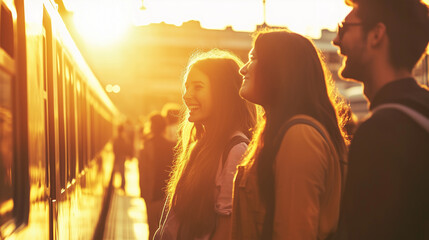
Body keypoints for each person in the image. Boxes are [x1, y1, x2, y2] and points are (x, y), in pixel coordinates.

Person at [231, 29, 349, 239]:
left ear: (279, 69)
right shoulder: (275, 133)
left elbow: (295, 232)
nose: (243, 69)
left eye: (253, 58)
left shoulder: (300, 137)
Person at [332, 0, 429, 239]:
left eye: (345, 27)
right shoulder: (421, 110)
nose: (337, 41)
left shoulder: (380, 133)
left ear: (376, 34)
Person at [154, 49, 257, 240]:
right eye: (186, 87)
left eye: (197, 87)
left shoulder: (236, 151)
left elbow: (226, 231)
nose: (186, 95)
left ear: (223, 94)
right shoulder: (199, 145)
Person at [139, 113, 175, 240]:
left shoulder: (145, 146)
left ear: (151, 127)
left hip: (151, 195)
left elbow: (142, 172)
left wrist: (143, 194)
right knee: (165, 230)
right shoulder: (172, 146)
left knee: (152, 229)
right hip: (166, 196)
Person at [113, 124, 130, 191]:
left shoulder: (116, 139)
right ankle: (123, 185)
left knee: (118, 170)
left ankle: (120, 185)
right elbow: (126, 148)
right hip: (122, 156)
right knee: (122, 171)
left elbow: (115, 148)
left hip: (118, 156)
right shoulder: (123, 139)